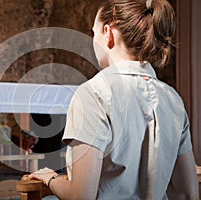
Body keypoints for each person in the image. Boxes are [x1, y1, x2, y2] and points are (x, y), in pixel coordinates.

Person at [28, 0, 199, 199]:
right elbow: (186, 193)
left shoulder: (93, 93)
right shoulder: (173, 99)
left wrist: (51, 178)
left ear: (108, 33)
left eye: (94, 32)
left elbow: (81, 196)